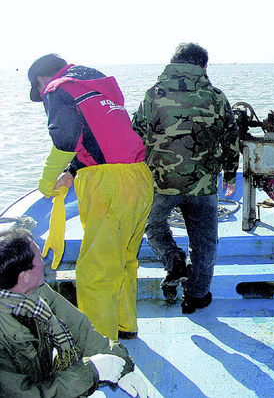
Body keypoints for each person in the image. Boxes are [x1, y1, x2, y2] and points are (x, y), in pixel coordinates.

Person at [27, 54, 154, 341]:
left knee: (95, 269)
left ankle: (98, 345)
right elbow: (102, 138)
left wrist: (47, 181)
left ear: (41, 80)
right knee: (123, 260)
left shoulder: (58, 88)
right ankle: (124, 325)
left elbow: (65, 140)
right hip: (139, 176)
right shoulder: (97, 87)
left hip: (108, 184)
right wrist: (72, 171)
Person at [132, 42, 240, 313]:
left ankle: (173, 260)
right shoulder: (216, 96)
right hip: (203, 186)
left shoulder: (153, 95)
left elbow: (136, 135)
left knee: (153, 224)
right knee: (204, 245)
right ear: (202, 66)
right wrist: (229, 174)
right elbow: (231, 138)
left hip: (160, 183)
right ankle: (196, 296)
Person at [0, 228, 147, 397]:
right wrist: (91, 371)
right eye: (39, 257)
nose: (44, 260)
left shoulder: (37, 293)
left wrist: (122, 367)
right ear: (25, 276)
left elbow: (81, 330)